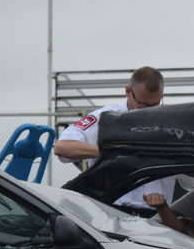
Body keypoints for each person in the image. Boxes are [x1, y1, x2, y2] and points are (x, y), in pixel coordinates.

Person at [53, 66, 176, 211]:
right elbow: (62, 147)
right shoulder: (104, 118)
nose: (149, 111)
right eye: (143, 105)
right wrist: (110, 152)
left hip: (158, 216)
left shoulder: (172, 124)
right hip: (111, 212)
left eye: (155, 104)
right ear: (128, 92)